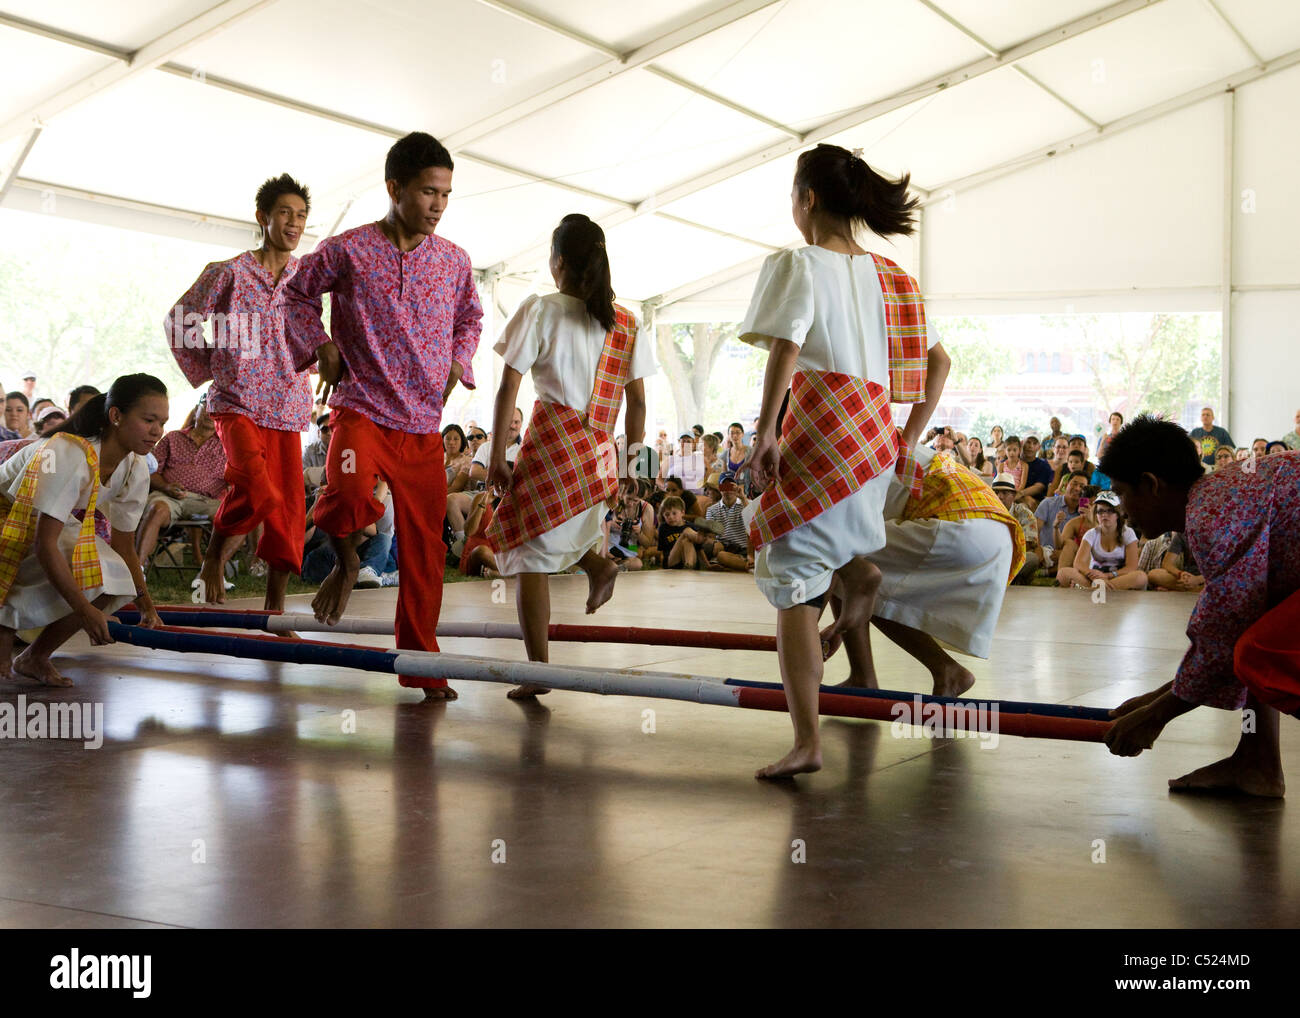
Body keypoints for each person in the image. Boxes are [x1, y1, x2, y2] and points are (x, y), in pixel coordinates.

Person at [740, 143, 949, 779]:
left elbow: (786, 346)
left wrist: (765, 431)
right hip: (873, 439)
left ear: (806, 199)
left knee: (794, 579)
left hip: (822, 430)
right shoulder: (895, 278)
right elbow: (940, 363)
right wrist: (907, 437)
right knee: (817, 549)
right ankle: (859, 575)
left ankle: (807, 741)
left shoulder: (800, 264)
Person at [283, 131, 482, 700]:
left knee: (425, 551)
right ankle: (346, 564)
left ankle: (422, 662)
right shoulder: (347, 249)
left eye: (445, 193)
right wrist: (320, 343)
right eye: (427, 192)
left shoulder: (455, 262)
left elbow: (471, 319)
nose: (438, 204)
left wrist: (457, 363)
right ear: (394, 188)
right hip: (361, 408)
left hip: (422, 425)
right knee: (345, 496)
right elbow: (297, 294)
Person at [484, 213, 652, 698]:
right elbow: (638, 401)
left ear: (556, 261)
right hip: (599, 450)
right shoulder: (626, 323)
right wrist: (636, 468)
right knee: (554, 532)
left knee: (527, 553)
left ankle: (539, 673)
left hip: (554, 443)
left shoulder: (540, 309)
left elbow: (508, 387)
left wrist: (498, 454)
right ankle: (600, 567)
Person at [1102, 417, 1298, 798]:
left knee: (1257, 653)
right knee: (1256, 632)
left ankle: (1257, 762)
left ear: (1150, 485)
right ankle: (1257, 760)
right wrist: (1157, 698)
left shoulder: (1211, 515)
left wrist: (1156, 716)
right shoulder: (1219, 496)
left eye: (1122, 493)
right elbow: (1233, 625)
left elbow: (1220, 642)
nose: (1122, 510)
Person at [168, 173, 314, 614]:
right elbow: (181, 319)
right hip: (236, 403)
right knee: (257, 489)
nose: (294, 223)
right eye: (285, 213)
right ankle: (213, 558)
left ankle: (275, 611)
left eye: (302, 215)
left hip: (289, 406)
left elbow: (313, 331)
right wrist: (213, 365)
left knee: (287, 511)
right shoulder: (228, 272)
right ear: (262, 217)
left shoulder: (304, 278)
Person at [0, 375, 166, 685]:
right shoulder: (68, 452)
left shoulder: (136, 467)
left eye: (162, 422)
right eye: (149, 420)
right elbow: (44, 543)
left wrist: (146, 606)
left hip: (32, 524)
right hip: (7, 518)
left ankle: (34, 656)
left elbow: (124, 546)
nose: (157, 431)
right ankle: (5, 626)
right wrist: (85, 610)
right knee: (87, 563)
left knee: (115, 576)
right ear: (116, 416)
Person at [829, 443, 1025, 693]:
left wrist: (810, 631)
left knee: (845, 565)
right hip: (997, 534)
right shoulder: (882, 440)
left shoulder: (850, 461)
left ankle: (864, 675)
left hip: (958, 526)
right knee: (870, 585)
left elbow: (831, 542)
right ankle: (945, 671)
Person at [134, 397, 229, 568]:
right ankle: (137, 568)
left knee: (231, 516)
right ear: (195, 411)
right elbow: (150, 470)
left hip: (207, 502)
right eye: (205, 408)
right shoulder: (173, 438)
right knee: (156, 509)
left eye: (215, 410)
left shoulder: (226, 445)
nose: (209, 414)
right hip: (170, 496)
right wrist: (166, 486)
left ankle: (213, 569)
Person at [1055, 489, 1146, 590]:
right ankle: (1101, 588)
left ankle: (1093, 590)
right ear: (1096, 514)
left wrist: (1108, 576)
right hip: (1094, 578)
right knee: (1063, 573)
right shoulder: (1091, 534)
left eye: (1109, 511)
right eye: (1100, 511)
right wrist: (1093, 575)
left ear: (1118, 514)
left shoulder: (1128, 533)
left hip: (1118, 578)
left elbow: (1131, 567)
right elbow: (1078, 563)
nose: (1104, 515)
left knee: (1141, 577)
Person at [991, 473, 1041, 583]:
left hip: (1013, 558)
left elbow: (1027, 546)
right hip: (991, 558)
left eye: (1004, 493)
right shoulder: (986, 513)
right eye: (996, 492)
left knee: (1032, 558)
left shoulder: (1024, 514)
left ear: (1013, 496)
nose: (1000, 496)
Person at [1035, 470, 1088, 565]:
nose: (1077, 489)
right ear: (1066, 484)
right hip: (1045, 552)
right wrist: (1038, 549)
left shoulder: (1084, 512)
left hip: (1069, 555)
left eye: (1082, 487)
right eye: (1074, 484)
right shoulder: (1048, 503)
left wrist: (1089, 518)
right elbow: (1035, 530)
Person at [703, 473, 750, 571]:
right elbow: (710, 535)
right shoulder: (711, 510)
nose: (728, 490)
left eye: (731, 486)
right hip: (724, 548)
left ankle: (742, 565)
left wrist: (743, 498)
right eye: (724, 486)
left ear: (737, 487)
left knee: (721, 557)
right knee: (719, 553)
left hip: (743, 549)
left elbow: (753, 521)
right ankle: (741, 566)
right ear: (719, 488)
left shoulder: (746, 503)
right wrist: (714, 542)